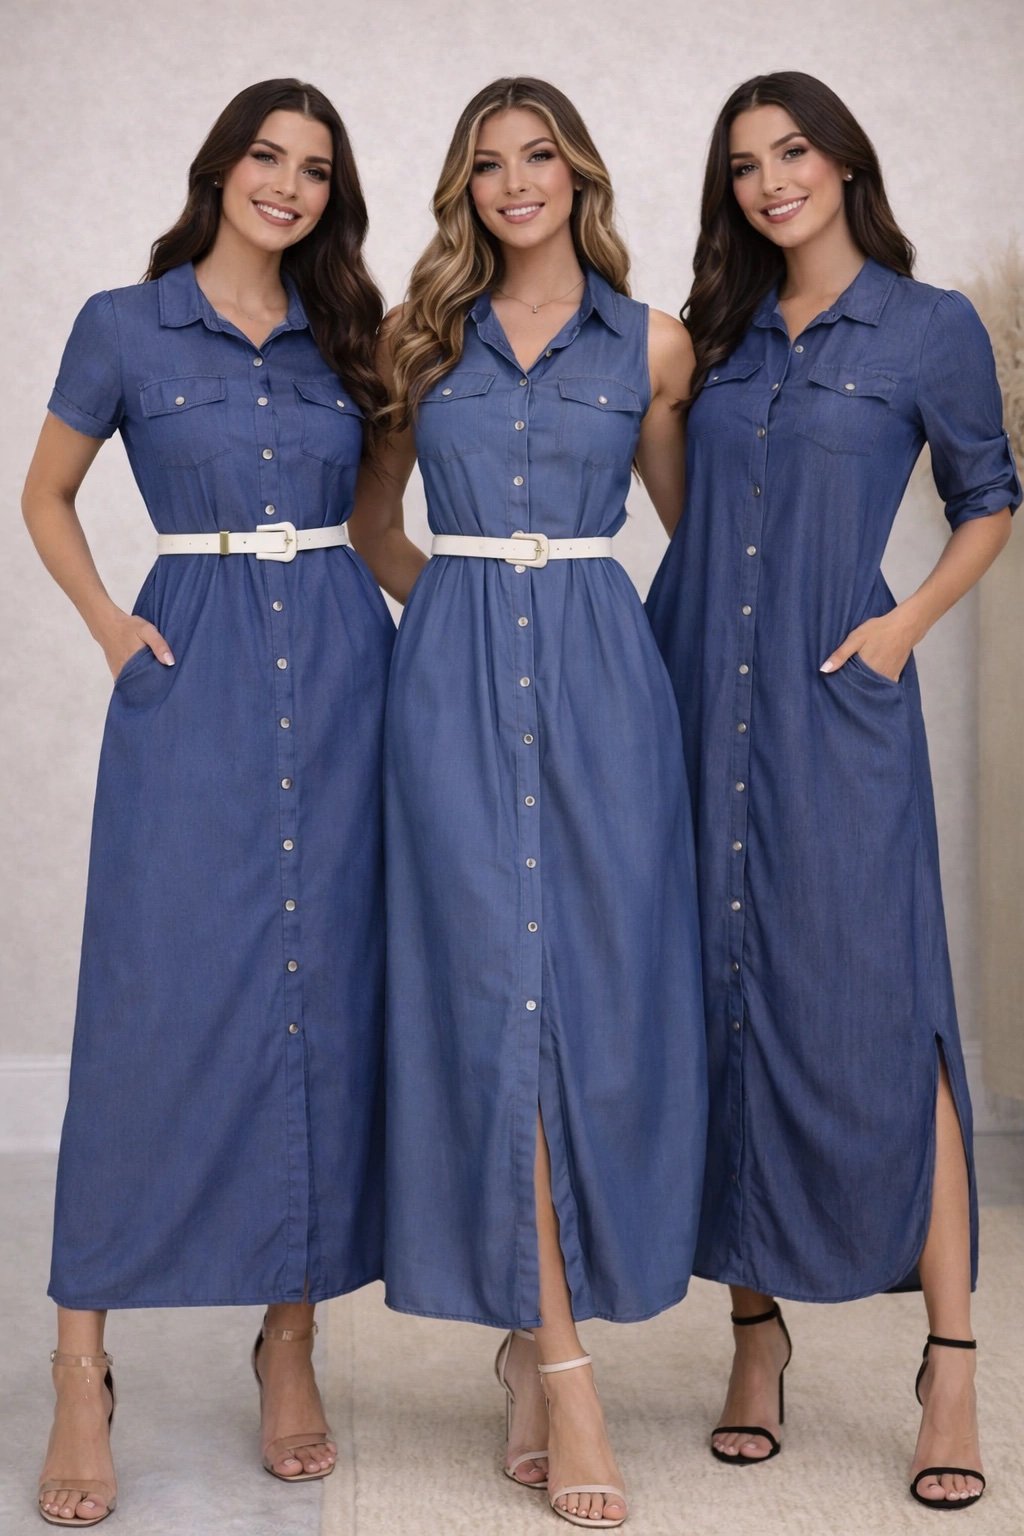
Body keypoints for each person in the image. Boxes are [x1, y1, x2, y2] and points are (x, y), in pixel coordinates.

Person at [22, 78, 394, 1525]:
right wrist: (113, 629)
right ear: (220, 168)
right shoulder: (125, 325)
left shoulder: (352, 336)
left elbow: (380, 525)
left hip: (346, 684)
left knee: (320, 1004)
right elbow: (45, 494)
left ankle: (287, 1344)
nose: (287, 185)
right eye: (265, 157)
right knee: (148, 1007)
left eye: (314, 169)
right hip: (191, 683)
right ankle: (81, 1366)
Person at [646, 70, 1019, 1510]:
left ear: (845, 161)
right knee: (723, 998)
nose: (771, 182)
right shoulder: (715, 335)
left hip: (838, 702)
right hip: (699, 697)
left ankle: (951, 1364)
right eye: (744, 164)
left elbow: (989, 499)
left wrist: (901, 626)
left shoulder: (928, 328)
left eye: (792, 151)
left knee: (885, 1005)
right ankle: (756, 1343)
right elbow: (690, 509)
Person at [349, 76, 706, 1530]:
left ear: (579, 175)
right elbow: (374, 524)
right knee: (495, 995)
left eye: (538, 156)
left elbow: (694, 535)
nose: (515, 182)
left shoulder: (656, 343)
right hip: (449, 698)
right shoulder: (415, 340)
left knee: (596, 1002)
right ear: (464, 191)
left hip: (608, 693)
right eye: (487, 164)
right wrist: (459, 616)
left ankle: (528, 1337)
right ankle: (564, 1369)